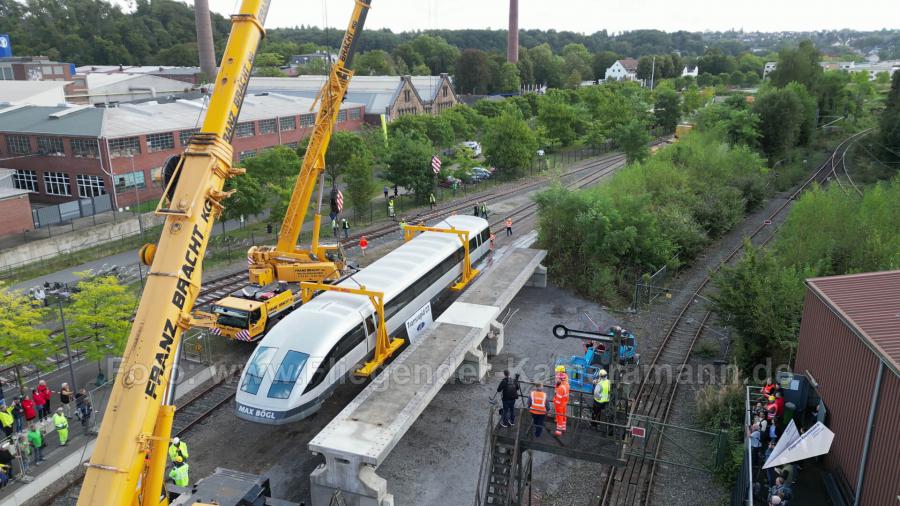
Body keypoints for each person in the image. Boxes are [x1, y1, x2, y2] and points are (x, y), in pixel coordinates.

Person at [553, 365, 570, 437]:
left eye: (557, 378)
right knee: (563, 415)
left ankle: (558, 431)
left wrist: (554, 400)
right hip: (564, 403)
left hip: (559, 405)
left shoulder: (561, 388)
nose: (556, 379)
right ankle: (563, 427)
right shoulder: (566, 384)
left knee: (559, 416)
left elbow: (558, 399)